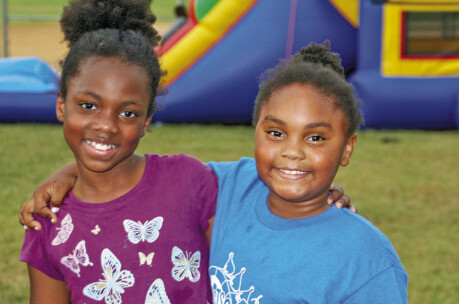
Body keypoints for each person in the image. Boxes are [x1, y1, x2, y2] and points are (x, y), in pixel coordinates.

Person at [19, 0, 218, 302]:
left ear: (146, 121)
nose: (106, 125)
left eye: (127, 113)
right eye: (89, 106)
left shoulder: (190, 181)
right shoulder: (47, 219)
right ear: (61, 105)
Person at [206, 42, 408, 303]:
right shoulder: (226, 186)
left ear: (347, 149)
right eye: (276, 133)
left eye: (315, 138)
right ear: (254, 131)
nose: (292, 152)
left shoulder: (366, 259)